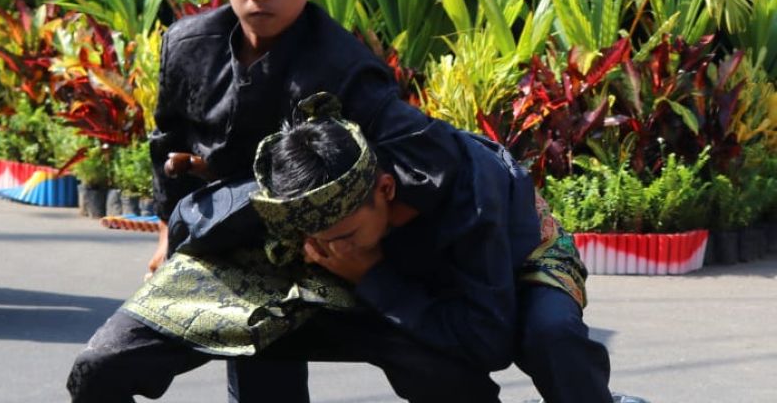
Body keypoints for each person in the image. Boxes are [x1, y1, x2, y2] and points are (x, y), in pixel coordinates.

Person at [67, 0, 468, 401]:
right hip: (218, 253)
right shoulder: (187, 47)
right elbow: (167, 143)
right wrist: (169, 234)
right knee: (100, 367)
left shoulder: (347, 68)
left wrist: (359, 245)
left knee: (450, 373)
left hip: (321, 265)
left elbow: (431, 159)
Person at [73, 85, 613, 402]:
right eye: (310, 239)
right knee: (115, 358)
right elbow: (193, 220)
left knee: (548, 337)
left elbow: (488, 341)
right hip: (374, 276)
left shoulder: (473, 198)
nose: (326, 250)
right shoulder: (276, 196)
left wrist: (372, 276)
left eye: (343, 237)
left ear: (384, 190)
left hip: (514, 256)